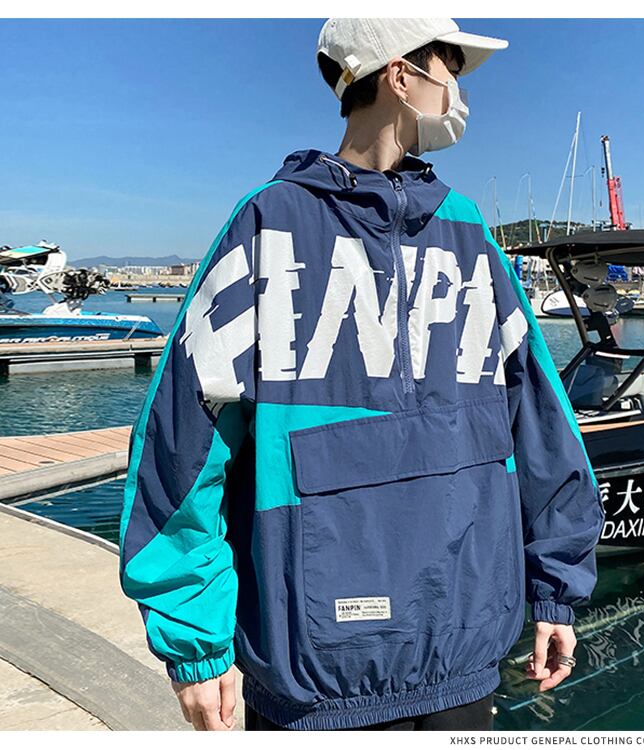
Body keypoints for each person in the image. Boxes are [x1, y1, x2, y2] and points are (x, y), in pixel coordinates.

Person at [118, 17, 606, 732]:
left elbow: (538, 420)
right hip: (315, 674)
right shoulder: (270, 224)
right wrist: (197, 645)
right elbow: (182, 444)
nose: (459, 93)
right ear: (401, 76)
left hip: (464, 652)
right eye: (451, 70)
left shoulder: (468, 231)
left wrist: (555, 587)